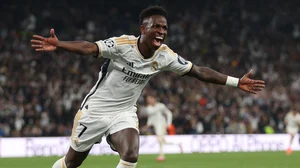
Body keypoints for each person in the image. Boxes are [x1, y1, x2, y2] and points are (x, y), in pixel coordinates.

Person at [31, 5, 265, 168]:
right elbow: (90, 48)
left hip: (124, 113)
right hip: (95, 111)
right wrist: (60, 44)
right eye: (157, 27)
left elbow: (198, 71)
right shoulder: (122, 45)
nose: (162, 32)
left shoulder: (164, 56)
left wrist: (236, 82)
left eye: (164, 28)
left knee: (131, 154)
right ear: (143, 29)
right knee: (72, 163)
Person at [144, 94, 182, 162]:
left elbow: (169, 113)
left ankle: (161, 155)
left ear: (154, 99)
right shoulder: (148, 108)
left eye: (150, 99)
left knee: (159, 139)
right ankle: (178, 144)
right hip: (156, 127)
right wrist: (148, 124)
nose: (148, 100)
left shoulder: (161, 106)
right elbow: (151, 117)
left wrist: (169, 124)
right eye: (147, 99)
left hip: (162, 125)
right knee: (163, 141)